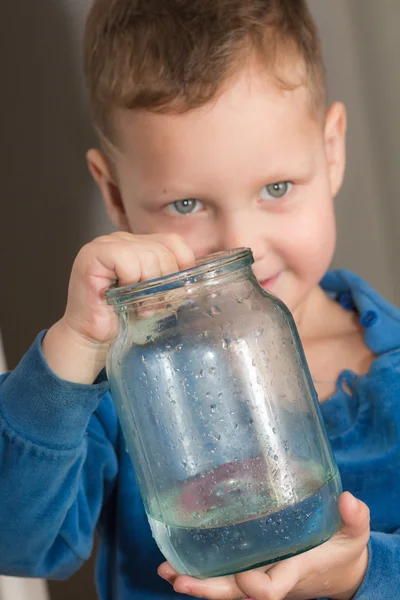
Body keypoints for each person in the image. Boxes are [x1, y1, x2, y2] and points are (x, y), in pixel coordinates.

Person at [0, 1, 399, 598]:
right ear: (113, 191)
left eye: (277, 188)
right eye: (186, 204)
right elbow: (19, 543)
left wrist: (364, 573)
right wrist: (74, 350)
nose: (238, 246)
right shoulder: (116, 379)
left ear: (331, 150)